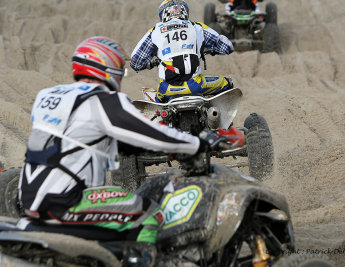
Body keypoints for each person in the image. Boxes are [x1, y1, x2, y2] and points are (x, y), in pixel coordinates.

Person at [19, 36, 218, 249]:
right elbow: (154, 133)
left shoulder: (48, 96)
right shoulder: (103, 101)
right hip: (68, 200)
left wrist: (142, 148)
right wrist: (198, 144)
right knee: (149, 214)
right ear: (109, 70)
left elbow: (82, 137)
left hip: (30, 200)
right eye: (120, 71)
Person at [130, 0, 235, 103]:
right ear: (184, 11)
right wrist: (211, 49)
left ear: (163, 14)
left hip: (166, 89)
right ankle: (216, 117)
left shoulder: (154, 32)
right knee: (227, 83)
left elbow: (135, 63)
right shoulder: (197, 27)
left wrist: (151, 64)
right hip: (195, 85)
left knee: (157, 108)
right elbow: (227, 47)